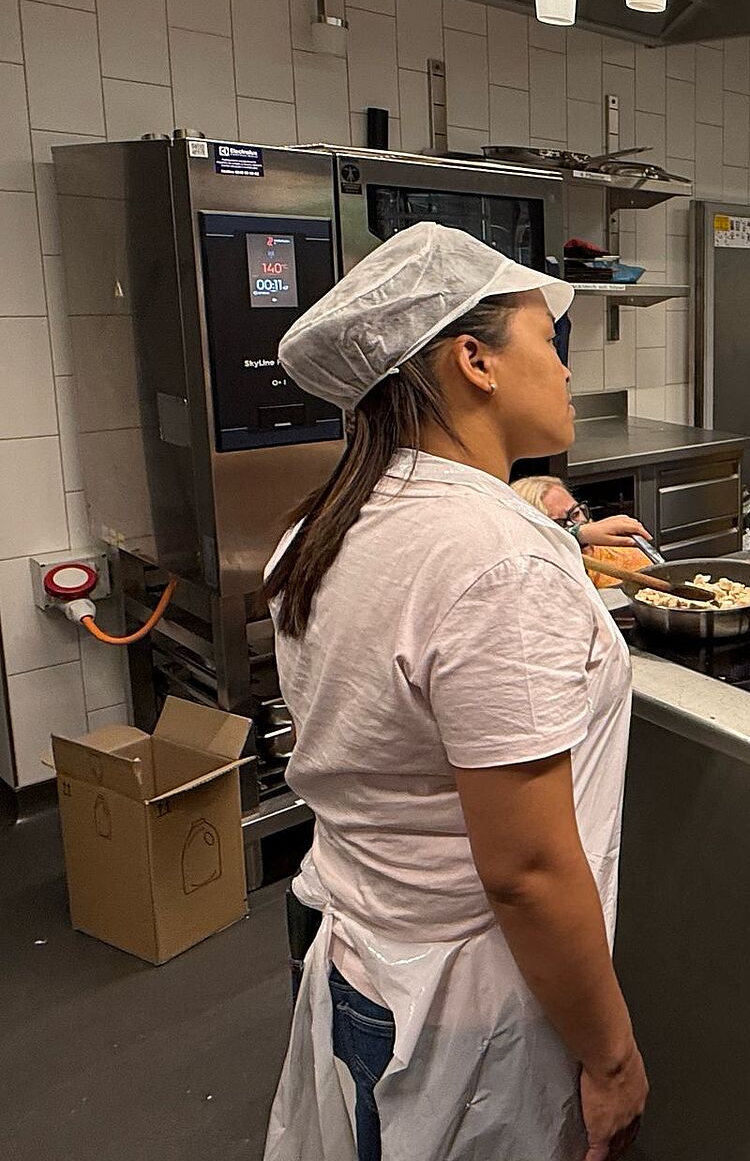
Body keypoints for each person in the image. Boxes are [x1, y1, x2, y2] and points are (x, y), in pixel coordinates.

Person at [262, 224, 646, 1161]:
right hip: (471, 1015)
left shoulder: (329, 520)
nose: (565, 370)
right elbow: (527, 871)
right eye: (548, 341)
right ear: (475, 361)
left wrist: (552, 528)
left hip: (369, 965)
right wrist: (611, 1057)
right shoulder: (495, 564)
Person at [512, 473, 655, 555]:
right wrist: (578, 534)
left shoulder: (621, 554)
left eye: (575, 514)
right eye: (557, 523)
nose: (577, 525)